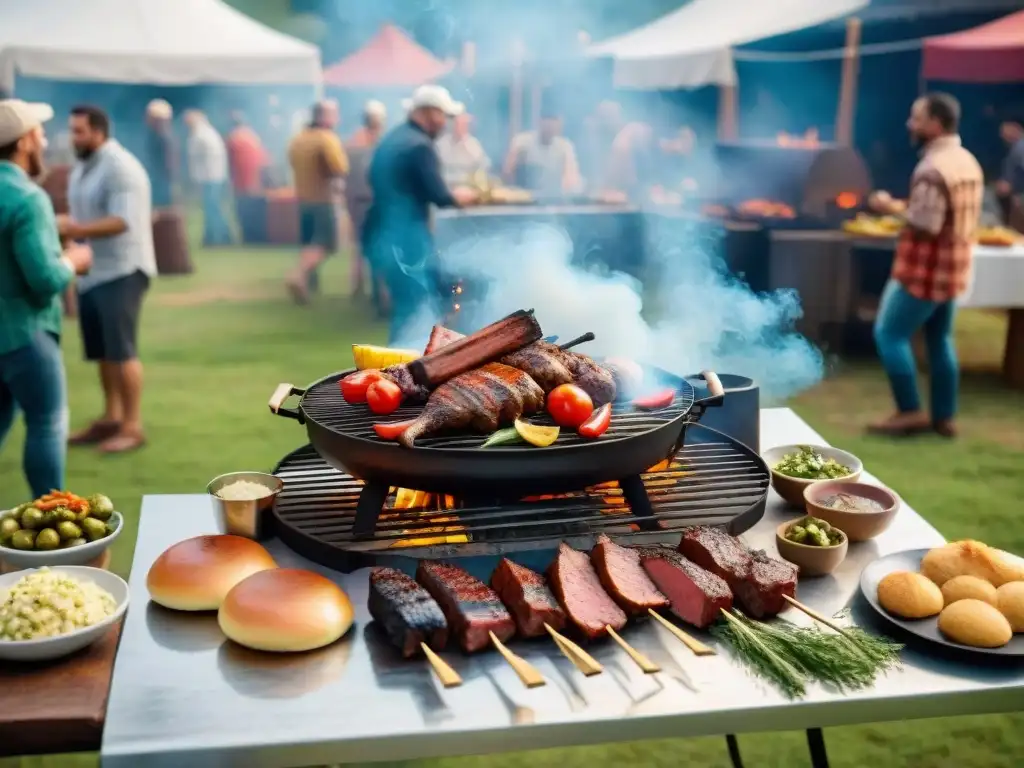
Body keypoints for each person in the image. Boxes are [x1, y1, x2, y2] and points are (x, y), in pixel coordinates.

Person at [867, 93, 983, 438]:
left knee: (889, 334)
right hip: (953, 270)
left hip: (923, 272)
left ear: (935, 123)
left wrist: (888, 206)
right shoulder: (966, 160)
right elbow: (940, 215)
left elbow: (926, 224)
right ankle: (944, 417)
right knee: (939, 338)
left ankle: (910, 411)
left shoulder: (932, 169)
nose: (910, 124)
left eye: (916, 118)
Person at [0, 100, 92, 496]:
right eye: (39, 130)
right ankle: (50, 521)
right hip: (25, 333)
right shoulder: (28, 197)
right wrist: (74, 259)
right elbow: (43, 279)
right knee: (47, 422)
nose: (44, 138)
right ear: (24, 142)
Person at [61, 105, 157, 453]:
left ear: (99, 131)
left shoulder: (121, 167)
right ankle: (111, 418)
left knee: (122, 350)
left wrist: (73, 229)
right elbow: (83, 213)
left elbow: (122, 220)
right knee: (103, 352)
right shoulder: (84, 165)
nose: (74, 137)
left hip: (122, 269)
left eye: (80, 131)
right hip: (91, 272)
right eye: (72, 130)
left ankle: (132, 426)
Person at [364, 85, 477, 343]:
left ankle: (399, 363)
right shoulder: (420, 146)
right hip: (407, 238)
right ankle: (403, 366)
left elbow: (371, 178)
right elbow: (440, 196)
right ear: (429, 113)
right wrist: (460, 196)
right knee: (413, 307)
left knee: (407, 305)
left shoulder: (392, 138)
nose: (445, 123)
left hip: (383, 235)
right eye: (443, 116)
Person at [287, 100, 349, 303]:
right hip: (324, 200)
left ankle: (309, 284)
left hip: (303, 200)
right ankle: (298, 275)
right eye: (334, 114)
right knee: (325, 244)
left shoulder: (298, 139)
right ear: (324, 117)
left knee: (309, 243)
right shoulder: (326, 138)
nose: (337, 118)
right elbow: (340, 168)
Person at [346, 100, 388, 309]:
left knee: (361, 246)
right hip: (371, 201)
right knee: (374, 246)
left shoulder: (354, 142)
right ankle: (375, 294)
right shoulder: (376, 143)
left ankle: (360, 287)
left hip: (359, 201)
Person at [502, 109, 580, 196]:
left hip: (555, 198)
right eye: (547, 121)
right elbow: (508, 172)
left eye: (554, 121)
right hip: (524, 196)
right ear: (539, 122)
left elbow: (570, 179)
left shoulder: (565, 146)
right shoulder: (522, 142)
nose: (550, 126)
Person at [184, 110, 233, 246]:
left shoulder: (199, 135)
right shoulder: (210, 133)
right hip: (216, 176)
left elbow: (194, 160)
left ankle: (217, 237)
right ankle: (217, 236)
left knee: (212, 208)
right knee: (214, 208)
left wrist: (194, 180)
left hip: (208, 178)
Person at [226, 111, 269, 244]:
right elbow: (264, 158)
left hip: (241, 182)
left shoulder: (233, 138)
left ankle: (248, 237)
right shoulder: (252, 136)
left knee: (244, 212)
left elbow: (230, 162)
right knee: (256, 211)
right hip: (256, 181)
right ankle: (258, 237)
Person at [435, 113, 490, 187]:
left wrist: (468, 147)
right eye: (458, 124)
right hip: (447, 184)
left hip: (468, 185)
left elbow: (485, 164)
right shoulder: (442, 143)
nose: (460, 127)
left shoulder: (473, 144)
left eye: (464, 125)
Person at [143, 99, 177, 210]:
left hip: (162, 182)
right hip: (157, 180)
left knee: (163, 209)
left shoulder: (164, 137)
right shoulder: (155, 136)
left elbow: (169, 163)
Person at [996, 117, 1024, 202]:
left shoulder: (1020, 148)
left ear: (1016, 128)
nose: (1002, 135)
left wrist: (1011, 186)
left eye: (1005, 130)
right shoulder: (1014, 148)